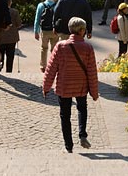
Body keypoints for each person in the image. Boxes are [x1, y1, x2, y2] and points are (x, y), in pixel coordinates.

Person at [42, 16, 99, 152]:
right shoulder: (87, 48)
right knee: (82, 109)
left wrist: (46, 87)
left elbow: (51, 69)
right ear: (81, 31)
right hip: (81, 86)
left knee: (65, 115)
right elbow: (92, 72)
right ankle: (82, 134)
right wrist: (94, 93)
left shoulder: (60, 46)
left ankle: (69, 145)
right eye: (84, 29)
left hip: (64, 86)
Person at [33, 0, 60, 73]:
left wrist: (36, 31)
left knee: (44, 48)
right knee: (54, 49)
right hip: (54, 30)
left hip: (44, 31)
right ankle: (53, 65)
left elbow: (37, 19)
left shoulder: (41, 5)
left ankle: (43, 66)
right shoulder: (57, 5)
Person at [0, 0, 23, 73]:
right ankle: (9, 71)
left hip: (1, 36)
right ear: (10, 2)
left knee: (0, 52)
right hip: (12, 38)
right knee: (10, 55)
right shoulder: (15, 12)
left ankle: (0, 62)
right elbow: (19, 24)